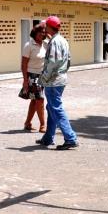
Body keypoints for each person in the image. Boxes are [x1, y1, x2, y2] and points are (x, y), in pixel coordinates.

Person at [36, 16, 78, 150]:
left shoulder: (54, 42)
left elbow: (52, 63)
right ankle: (48, 137)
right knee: (51, 108)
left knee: (56, 109)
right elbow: (69, 60)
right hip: (60, 78)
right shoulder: (62, 40)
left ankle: (70, 138)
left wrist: (44, 78)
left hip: (53, 80)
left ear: (49, 27)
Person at [21, 24, 47, 132]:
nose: (42, 34)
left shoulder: (45, 44)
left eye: (44, 32)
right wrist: (25, 80)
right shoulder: (29, 45)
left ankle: (27, 123)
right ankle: (43, 125)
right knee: (40, 100)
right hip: (32, 76)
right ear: (34, 33)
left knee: (34, 101)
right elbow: (24, 64)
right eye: (40, 32)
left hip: (42, 76)